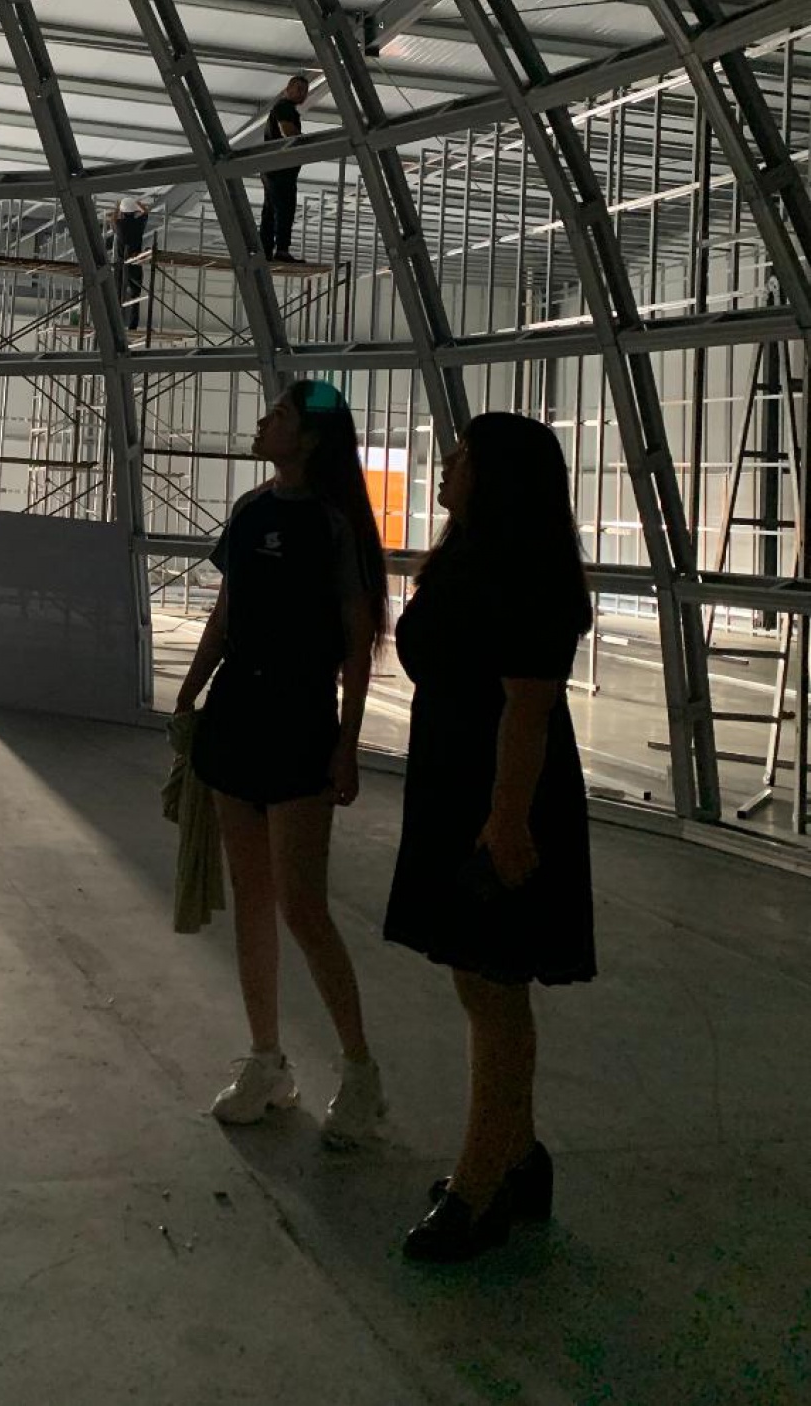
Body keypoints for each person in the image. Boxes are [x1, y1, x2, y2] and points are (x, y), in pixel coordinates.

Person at [385, 413, 595, 1264]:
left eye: (464, 454)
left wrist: (506, 820)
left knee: (493, 986)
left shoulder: (526, 571)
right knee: (485, 982)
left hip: (499, 794)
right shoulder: (474, 555)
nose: (448, 464)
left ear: (498, 476)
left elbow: (529, 710)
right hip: (458, 783)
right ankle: (518, 1156)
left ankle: (480, 1188)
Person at [175, 379, 390, 1145]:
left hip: (300, 723)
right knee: (253, 897)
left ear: (312, 438)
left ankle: (360, 1072)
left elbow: (358, 643)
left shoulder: (335, 525)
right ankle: (266, 1061)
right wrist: (191, 693)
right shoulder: (249, 511)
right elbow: (227, 612)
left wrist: (347, 743)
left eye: (280, 416)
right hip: (236, 716)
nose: (263, 424)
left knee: (302, 905)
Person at [259, 74, 311, 263]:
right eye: (298, 89)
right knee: (284, 208)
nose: (302, 93)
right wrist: (304, 141)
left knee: (271, 209)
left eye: (305, 91)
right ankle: (281, 249)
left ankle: (265, 250)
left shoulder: (283, 108)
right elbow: (287, 132)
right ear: (287, 89)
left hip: (273, 168)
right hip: (280, 169)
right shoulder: (284, 107)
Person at [106, 196, 149, 332]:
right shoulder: (139, 223)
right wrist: (138, 204)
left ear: (122, 212)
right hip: (135, 263)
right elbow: (146, 212)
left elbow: (112, 219)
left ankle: (116, 324)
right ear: (134, 211)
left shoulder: (119, 225)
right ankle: (133, 326)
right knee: (135, 296)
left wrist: (117, 207)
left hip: (121, 265)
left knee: (118, 295)